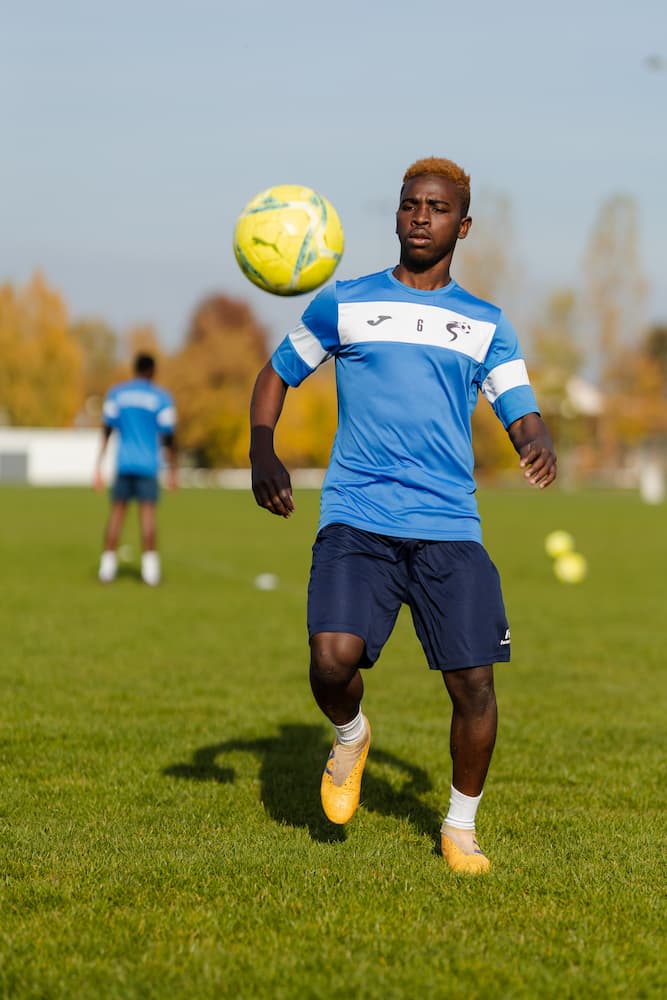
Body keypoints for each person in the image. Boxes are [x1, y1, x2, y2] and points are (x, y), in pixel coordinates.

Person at [249, 157, 556, 874]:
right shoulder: (344, 302)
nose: (421, 216)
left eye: (437, 207)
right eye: (410, 204)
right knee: (331, 660)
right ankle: (350, 738)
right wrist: (262, 447)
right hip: (357, 515)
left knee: (473, 684)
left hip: (449, 526)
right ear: (395, 215)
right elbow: (276, 373)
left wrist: (533, 439)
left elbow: (517, 403)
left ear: (463, 225)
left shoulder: (486, 324)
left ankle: (458, 827)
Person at [94, 352, 178, 586]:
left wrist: (98, 466)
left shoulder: (117, 394)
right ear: (152, 371)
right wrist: (173, 470)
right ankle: (150, 572)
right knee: (147, 516)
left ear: (134, 369)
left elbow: (106, 431)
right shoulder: (161, 398)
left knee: (116, 515)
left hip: (124, 463)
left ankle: (106, 569)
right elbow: (169, 436)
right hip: (148, 465)